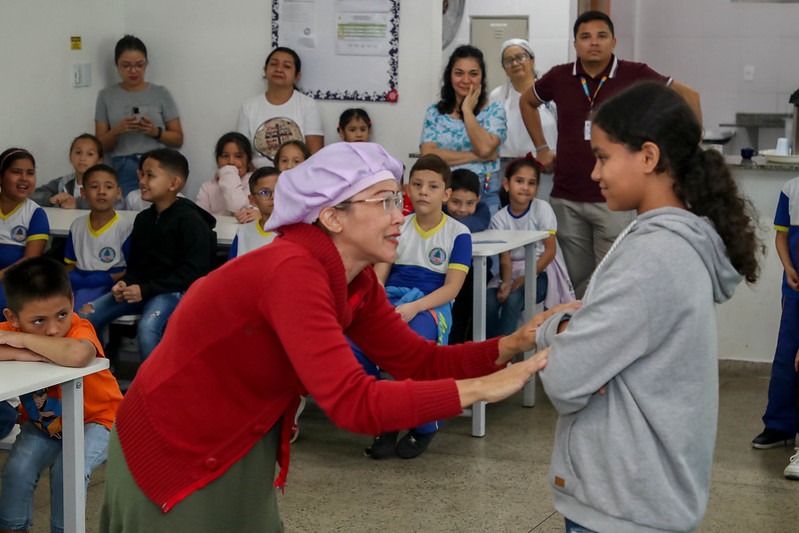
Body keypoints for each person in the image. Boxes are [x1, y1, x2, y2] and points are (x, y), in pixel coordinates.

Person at [98, 142, 561, 531]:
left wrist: (512, 343)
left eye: (396, 200)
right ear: (332, 217)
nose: (399, 214)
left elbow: (417, 361)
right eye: (382, 202)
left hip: (235, 437)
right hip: (173, 445)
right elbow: (350, 401)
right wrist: (478, 389)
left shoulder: (352, 279)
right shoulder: (294, 272)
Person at [533, 82, 760, 533]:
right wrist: (579, 328)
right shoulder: (664, 244)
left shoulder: (654, 257)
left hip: (624, 505)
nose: (595, 173)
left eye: (603, 156)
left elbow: (564, 377)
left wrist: (552, 328)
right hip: (638, 494)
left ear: (649, 157)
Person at [520, 10, 702, 298]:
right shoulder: (559, 76)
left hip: (615, 199)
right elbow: (527, 101)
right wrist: (542, 148)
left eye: (601, 36)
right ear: (575, 43)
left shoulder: (635, 74)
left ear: (614, 41)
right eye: (586, 37)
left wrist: (689, 153)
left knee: (616, 283)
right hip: (567, 198)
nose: (594, 42)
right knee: (577, 287)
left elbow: (689, 96)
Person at [0, 256, 122, 533]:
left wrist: (24, 339)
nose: (54, 329)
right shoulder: (13, 329)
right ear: (12, 318)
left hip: (100, 421)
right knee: (17, 469)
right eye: (39, 321)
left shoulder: (80, 328)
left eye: (62, 314)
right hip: (46, 425)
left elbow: (78, 355)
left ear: (71, 302)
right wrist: (31, 352)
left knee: (68, 471)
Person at [360, 154, 470, 459]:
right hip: (393, 301)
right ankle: (384, 421)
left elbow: (451, 289)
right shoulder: (398, 224)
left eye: (433, 186)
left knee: (414, 347)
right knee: (356, 343)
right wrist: (379, 305)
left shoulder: (459, 234)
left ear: (446, 194)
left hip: (431, 306)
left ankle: (425, 426)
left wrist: (413, 308)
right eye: (418, 184)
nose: (424, 191)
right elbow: (380, 276)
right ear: (407, 189)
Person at [80, 149, 215, 361]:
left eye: (150, 176)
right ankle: (101, 379)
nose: (142, 181)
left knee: (148, 327)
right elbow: (137, 267)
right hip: (141, 290)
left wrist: (145, 289)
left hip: (174, 292)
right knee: (86, 316)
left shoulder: (191, 221)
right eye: (141, 174)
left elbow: (194, 273)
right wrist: (125, 283)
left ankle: (154, 391)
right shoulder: (143, 219)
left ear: (174, 184)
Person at [420, 44, 507, 214]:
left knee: (488, 240)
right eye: (459, 73)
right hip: (444, 193)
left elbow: (485, 147)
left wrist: (467, 111)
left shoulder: (495, 110)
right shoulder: (435, 112)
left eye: (473, 74)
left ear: (482, 77)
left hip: (485, 192)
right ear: (450, 76)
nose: (466, 80)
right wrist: (476, 156)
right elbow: (429, 155)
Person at [95, 35, 183, 196]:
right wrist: (117, 130)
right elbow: (99, 147)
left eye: (139, 65)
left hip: (157, 164)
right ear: (117, 65)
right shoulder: (106, 96)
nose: (133, 71)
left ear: (146, 63)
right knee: (127, 211)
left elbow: (178, 139)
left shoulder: (160, 93)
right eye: (126, 65)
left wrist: (155, 132)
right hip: (122, 165)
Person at [752, 175, 799, 451]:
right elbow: (781, 237)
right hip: (795, 288)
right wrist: (789, 268)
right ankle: (780, 426)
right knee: (786, 357)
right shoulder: (790, 189)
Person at [486, 158, 556, 338]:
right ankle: (486, 349)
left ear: (537, 187)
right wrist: (506, 283)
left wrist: (523, 280)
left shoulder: (542, 209)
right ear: (506, 184)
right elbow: (505, 258)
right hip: (509, 273)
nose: (525, 187)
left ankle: (503, 355)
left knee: (513, 299)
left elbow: (550, 251)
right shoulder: (499, 218)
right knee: (487, 301)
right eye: (519, 181)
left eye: (531, 183)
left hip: (539, 272)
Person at [489, 39, 557, 199]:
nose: (515, 63)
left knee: (544, 217)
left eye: (520, 57)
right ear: (504, 68)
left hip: (545, 169)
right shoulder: (497, 96)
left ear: (532, 61)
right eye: (508, 60)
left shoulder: (551, 93)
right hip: (507, 169)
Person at [236, 47, 324, 168]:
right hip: (257, 178)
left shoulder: (307, 105)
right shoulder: (249, 107)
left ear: (297, 76)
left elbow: (315, 154)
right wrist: (260, 179)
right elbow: (241, 154)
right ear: (265, 70)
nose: (279, 69)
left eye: (287, 66)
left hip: (296, 178)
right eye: (273, 64)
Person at [64, 164, 132, 311]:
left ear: (118, 192)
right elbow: (70, 264)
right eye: (94, 187)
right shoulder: (77, 225)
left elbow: (131, 268)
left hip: (109, 284)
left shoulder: (125, 227)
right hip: (79, 281)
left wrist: (108, 279)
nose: (101, 192)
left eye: (108, 187)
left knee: (80, 310)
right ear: (83, 193)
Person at [444, 168, 491, 345]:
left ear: (478, 200)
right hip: (445, 271)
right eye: (456, 202)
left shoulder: (483, 210)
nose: (462, 209)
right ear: (446, 196)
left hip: (474, 272)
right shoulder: (438, 210)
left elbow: (473, 223)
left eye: (469, 203)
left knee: (467, 310)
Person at [0, 148, 50, 312]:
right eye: (16, 172)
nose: (24, 179)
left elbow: (29, 261)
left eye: (30, 173)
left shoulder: (35, 213)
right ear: (1, 176)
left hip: (15, 280)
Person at [195, 132, 259, 223]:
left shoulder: (255, 183)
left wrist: (229, 174)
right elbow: (199, 219)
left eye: (238, 156)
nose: (231, 161)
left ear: (248, 161)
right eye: (225, 156)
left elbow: (236, 206)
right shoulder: (207, 187)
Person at [31, 134, 105, 210]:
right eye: (78, 152)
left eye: (90, 154)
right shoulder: (63, 183)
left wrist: (78, 203)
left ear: (99, 161)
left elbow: (114, 203)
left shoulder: (106, 184)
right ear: (70, 157)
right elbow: (31, 196)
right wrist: (50, 199)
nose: (82, 158)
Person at [227, 167, 279, 259]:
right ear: (252, 200)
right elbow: (230, 269)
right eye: (265, 192)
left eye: (279, 190)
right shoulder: (243, 233)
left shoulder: (295, 233)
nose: (273, 196)